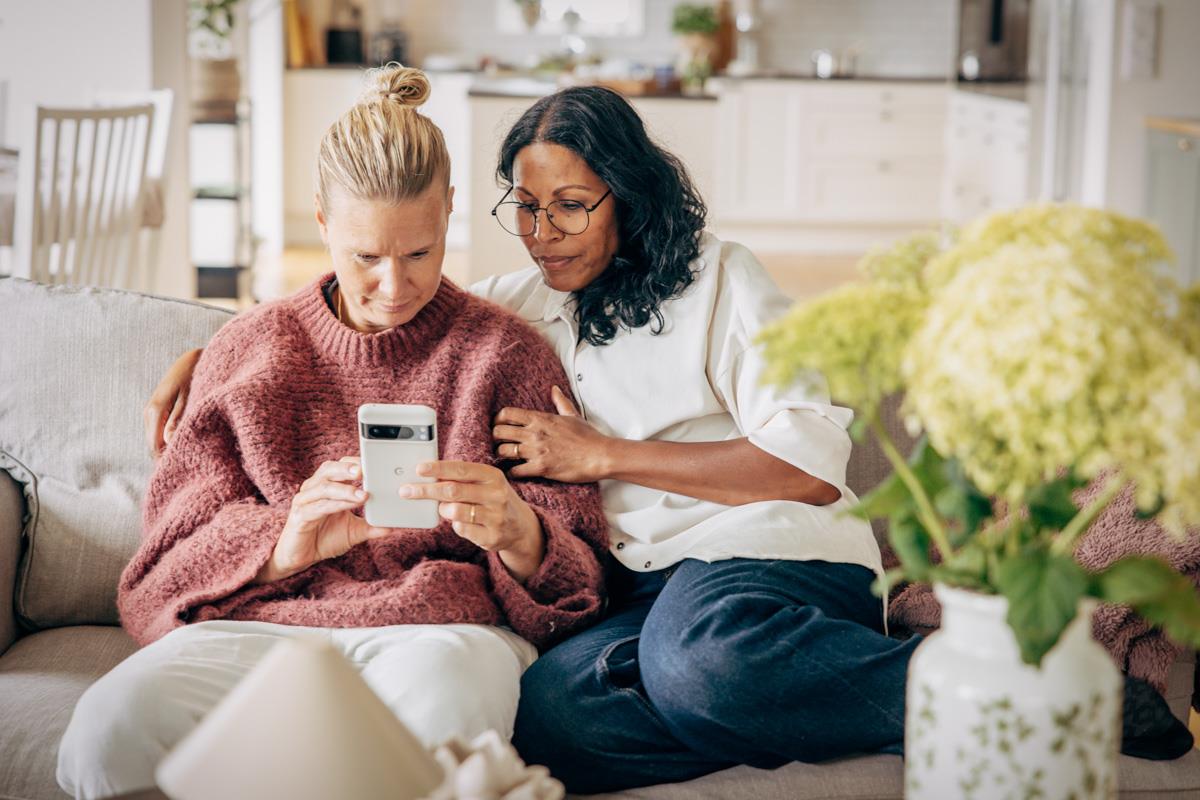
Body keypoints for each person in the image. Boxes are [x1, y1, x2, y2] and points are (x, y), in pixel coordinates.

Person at [145, 86, 918, 793]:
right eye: (527, 206)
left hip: (757, 554)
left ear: (629, 195)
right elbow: (373, 305)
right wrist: (210, 352)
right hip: (634, 595)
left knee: (699, 658)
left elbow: (809, 466)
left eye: (573, 205)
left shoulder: (721, 278)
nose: (544, 235)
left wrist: (603, 456)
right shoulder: (516, 304)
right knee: (544, 723)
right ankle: (762, 699)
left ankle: (944, 686)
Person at [58, 66, 608, 800]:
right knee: (107, 731)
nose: (394, 285)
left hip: (441, 634)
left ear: (449, 211)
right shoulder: (253, 348)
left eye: (419, 252)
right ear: (322, 221)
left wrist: (519, 534)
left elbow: (586, 584)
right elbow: (159, 572)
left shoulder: (503, 355)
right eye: (365, 257)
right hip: (263, 629)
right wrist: (283, 544)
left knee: (441, 714)